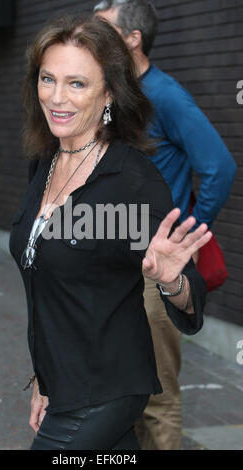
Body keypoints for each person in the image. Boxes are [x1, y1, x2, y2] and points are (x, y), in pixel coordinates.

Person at [9, 13, 212, 451]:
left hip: (104, 390)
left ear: (109, 93)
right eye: (48, 79)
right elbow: (48, 288)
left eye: (77, 83)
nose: (57, 97)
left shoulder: (131, 182)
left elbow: (192, 298)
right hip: (65, 383)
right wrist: (45, 380)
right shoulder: (44, 163)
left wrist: (171, 278)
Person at [94, 0, 237, 450]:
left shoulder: (167, 95)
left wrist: (186, 237)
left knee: (157, 394)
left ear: (132, 39)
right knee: (123, 389)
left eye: (103, 29)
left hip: (154, 268)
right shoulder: (112, 92)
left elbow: (220, 167)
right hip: (114, 264)